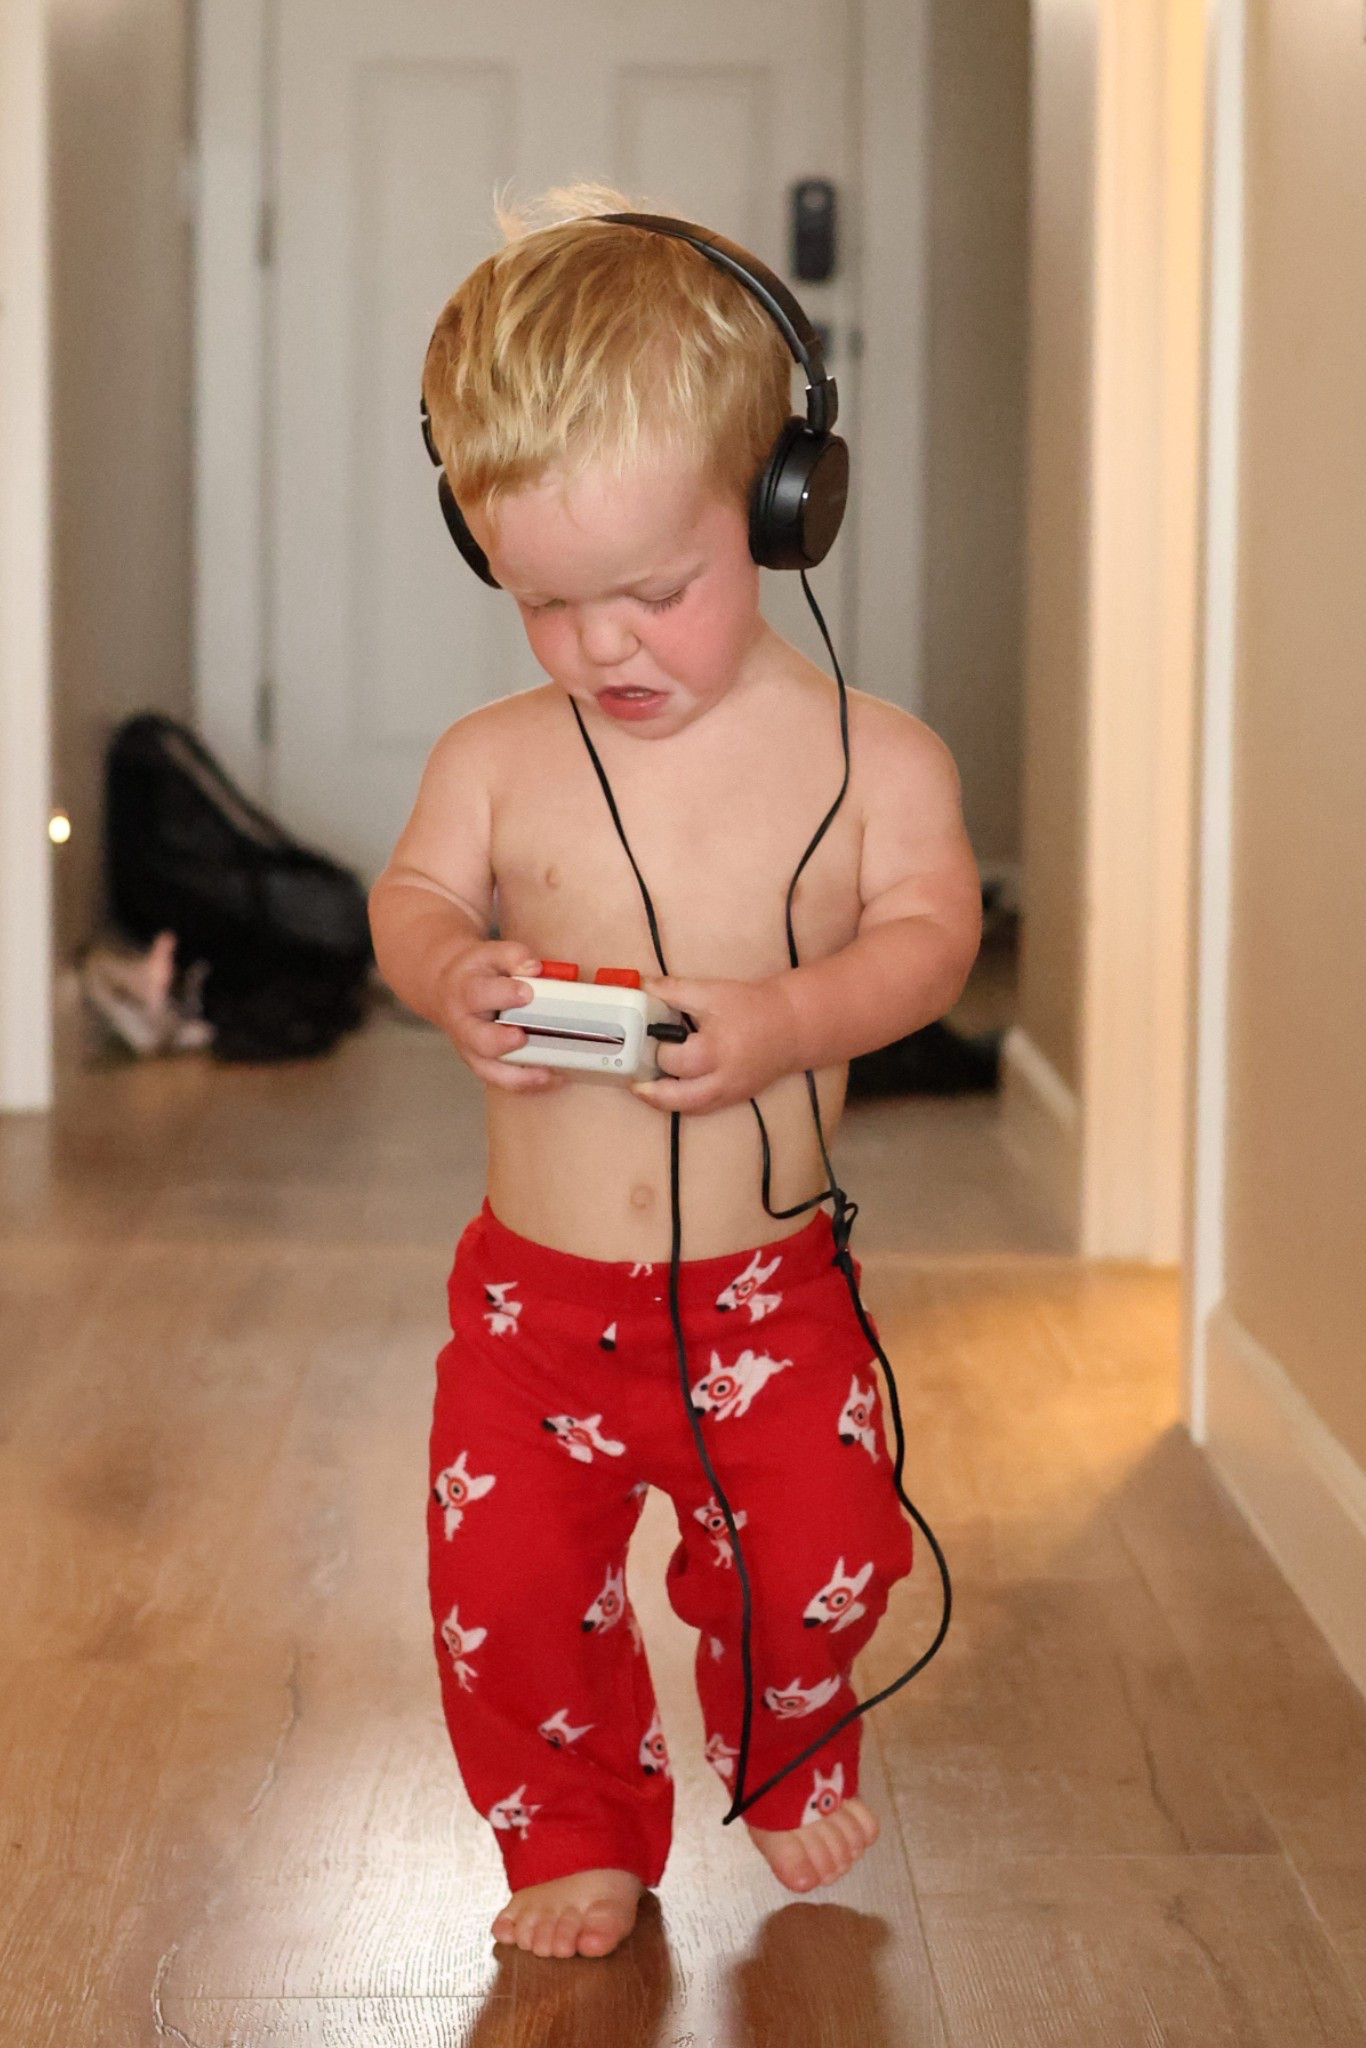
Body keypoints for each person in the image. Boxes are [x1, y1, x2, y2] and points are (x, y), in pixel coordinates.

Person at [368, 186, 982, 1962]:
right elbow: (413, 902)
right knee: (506, 1593)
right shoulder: (493, 759)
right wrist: (452, 972)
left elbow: (930, 939)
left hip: (765, 1294)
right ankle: (568, 1830)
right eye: (544, 602)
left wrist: (786, 1019)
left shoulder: (874, 761)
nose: (601, 646)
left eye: (654, 590)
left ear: (784, 506)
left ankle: (781, 1747)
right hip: (534, 1307)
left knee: (825, 1551)